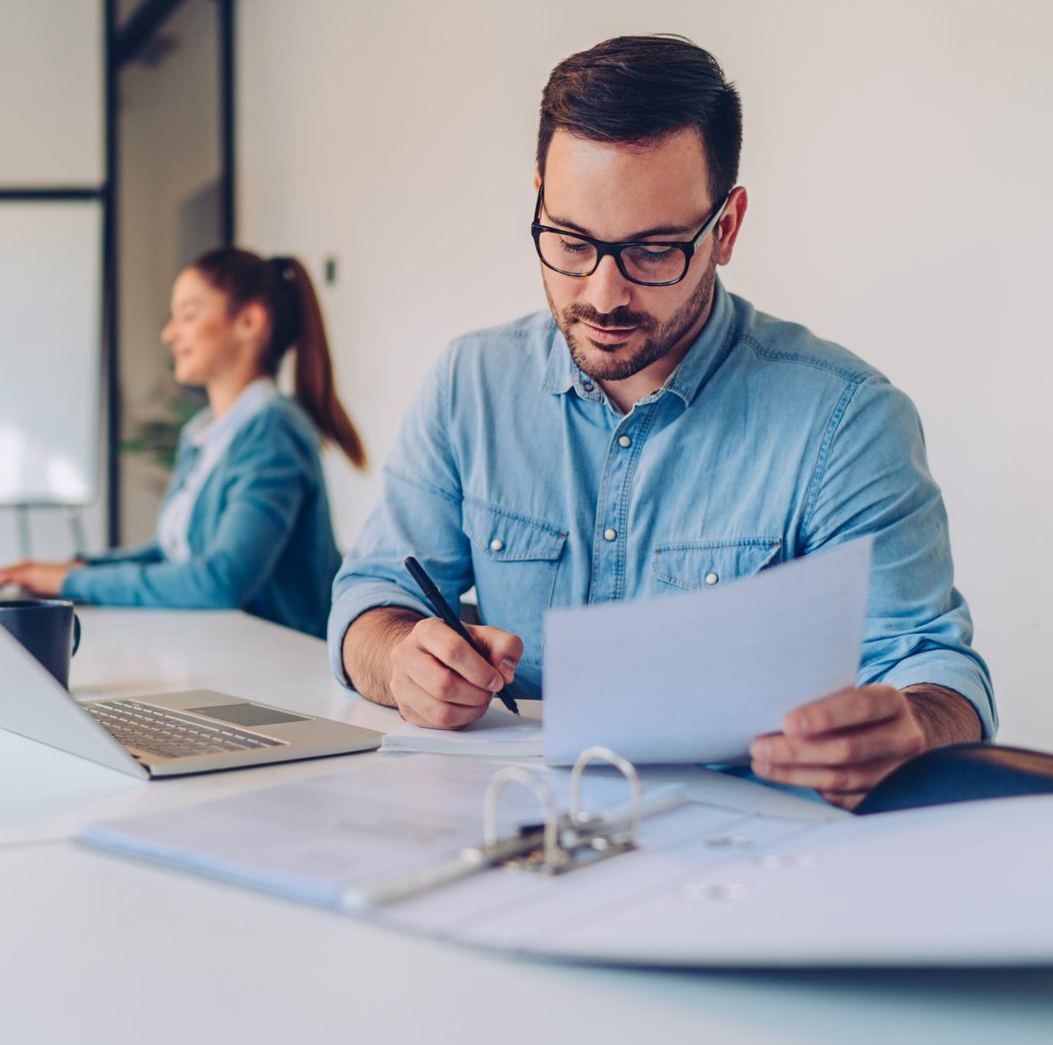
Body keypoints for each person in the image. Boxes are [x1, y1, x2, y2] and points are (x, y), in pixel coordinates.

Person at [329, 35, 994, 808]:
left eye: (652, 251)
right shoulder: (470, 384)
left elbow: (937, 671)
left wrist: (913, 727)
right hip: (518, 828)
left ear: (727, 228)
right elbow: (370, 597)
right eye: (571, 241)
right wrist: (401, 657)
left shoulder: (847, 421)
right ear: (538, 198)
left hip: (745, 847)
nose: (603, 293)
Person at [0, 249, 364, 638]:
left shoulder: (272, 430)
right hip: (225, 646)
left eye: (188, 314)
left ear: (249, 322)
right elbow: (174, 553)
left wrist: (69, 582)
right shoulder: (205, 434)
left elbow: (220, 581)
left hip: (281, 657)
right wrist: (78, 570)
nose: (169, 334)